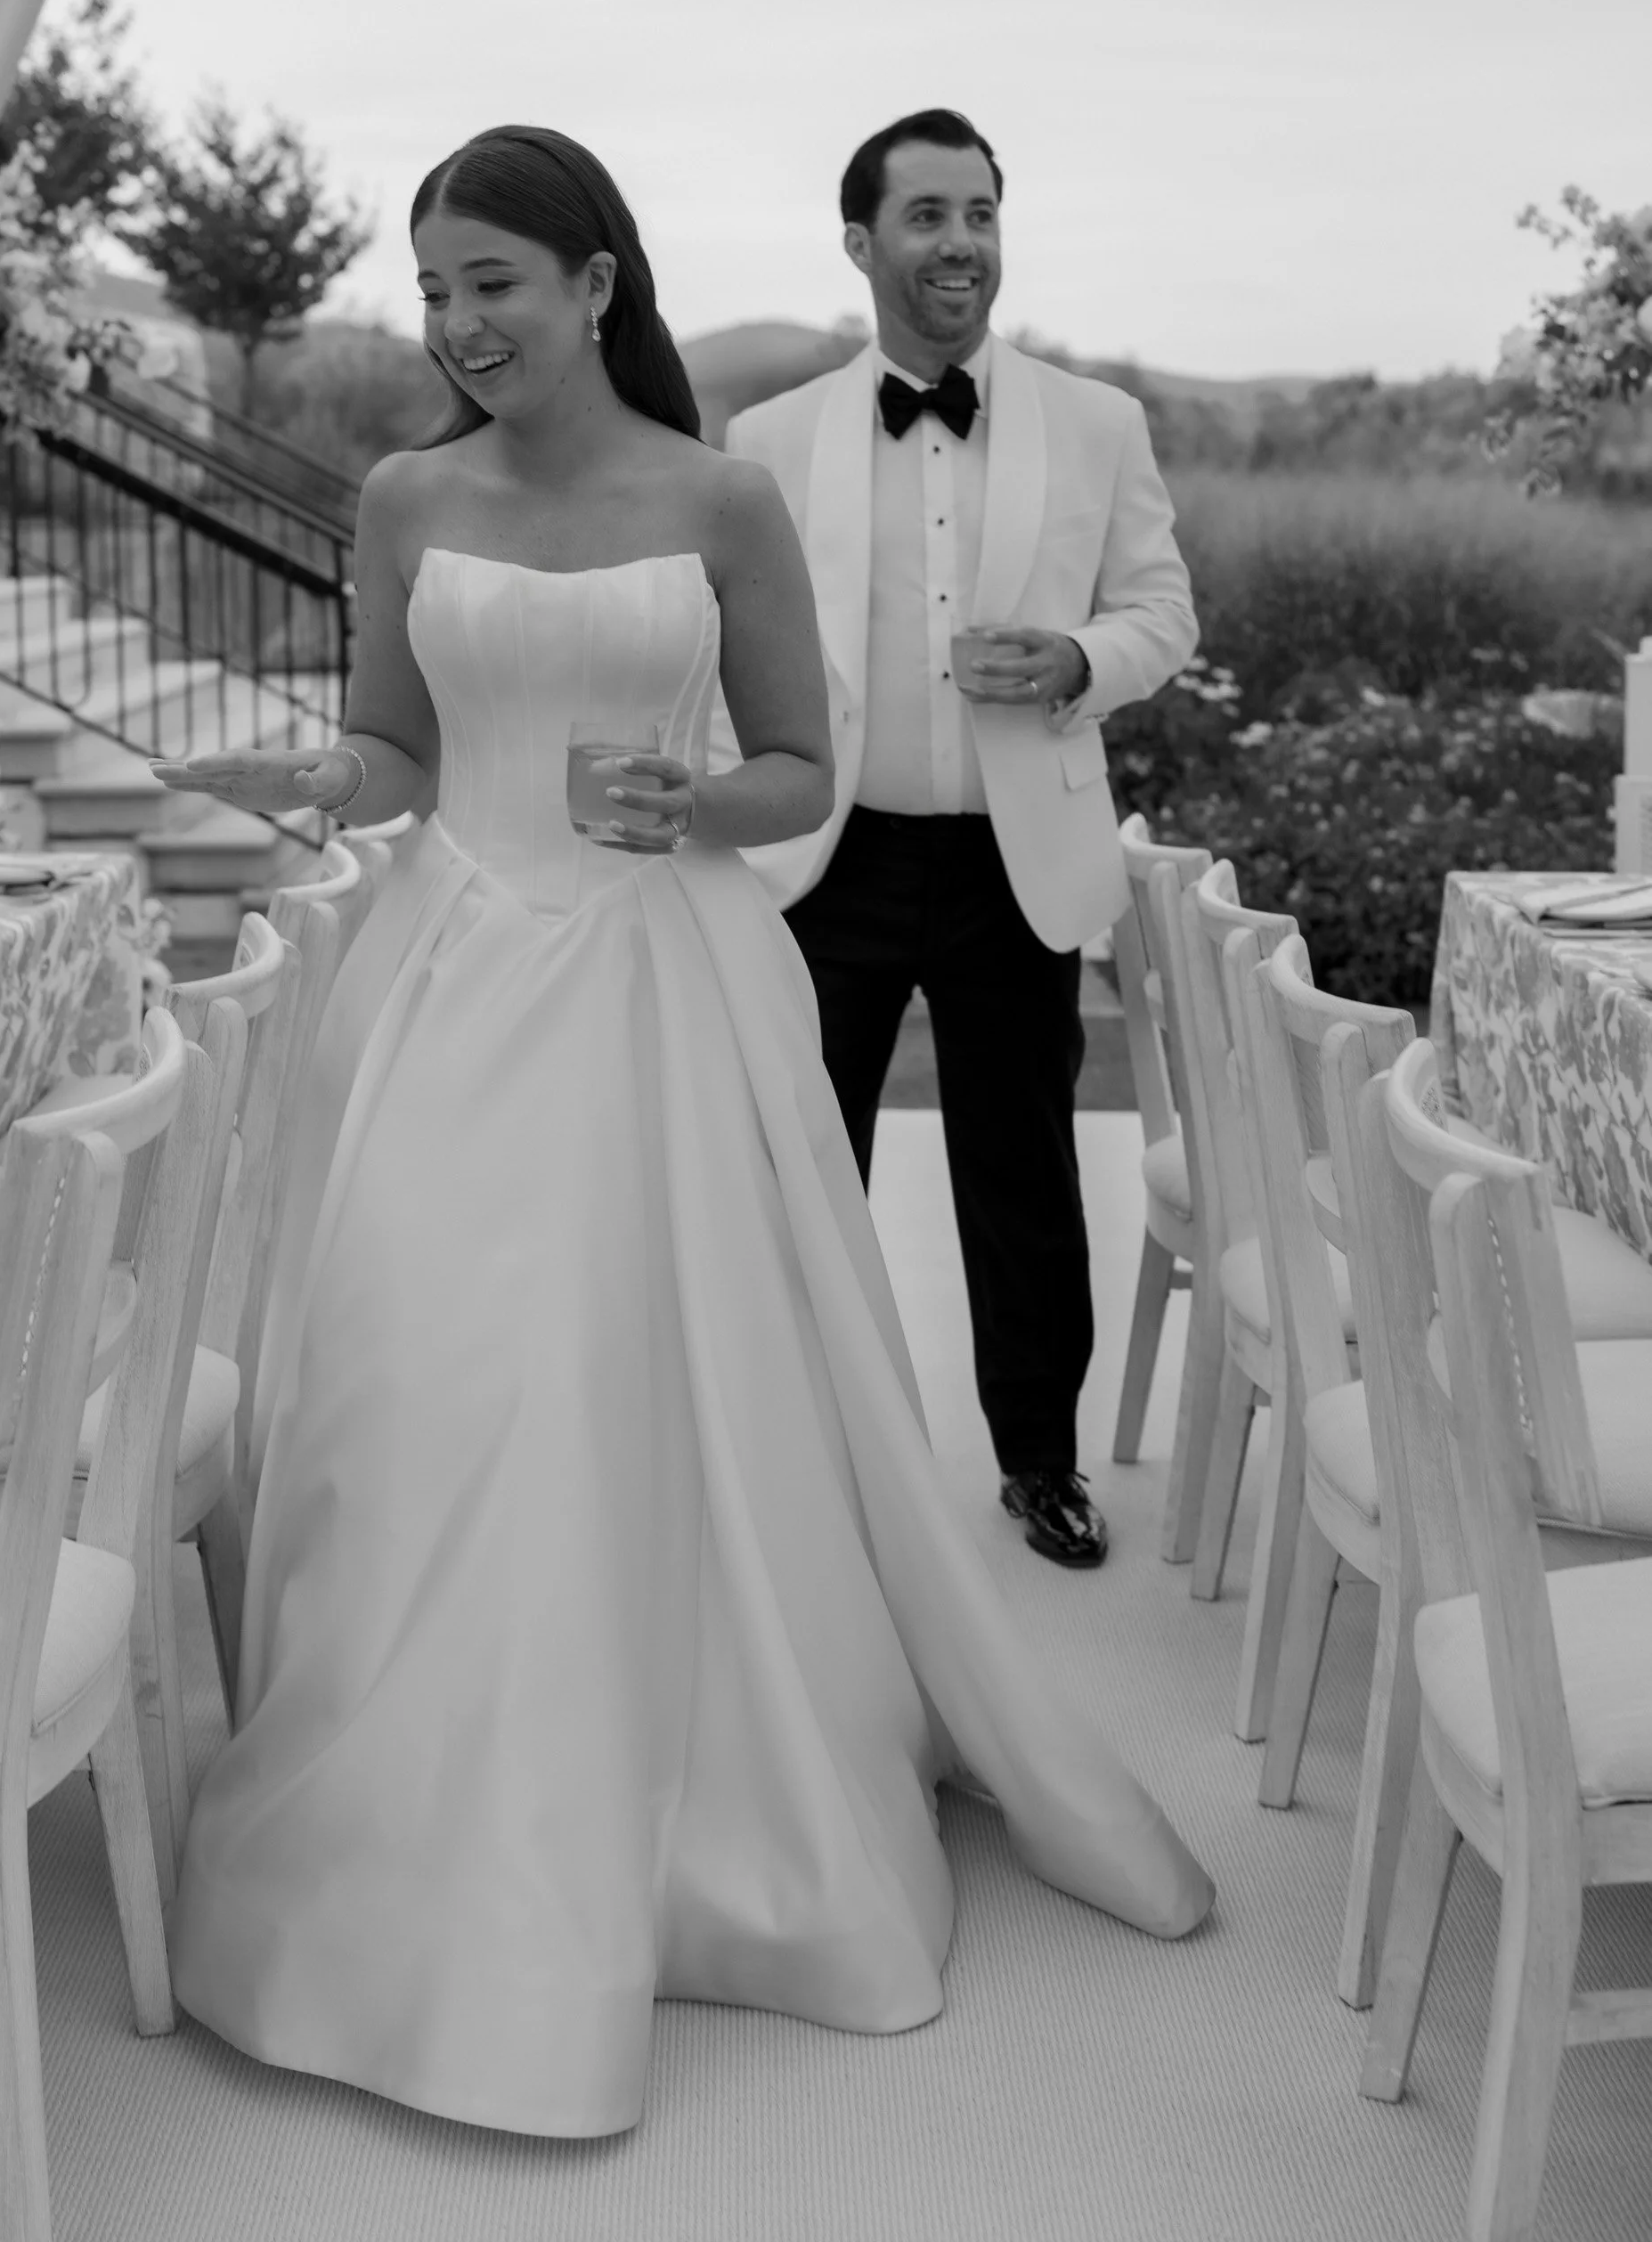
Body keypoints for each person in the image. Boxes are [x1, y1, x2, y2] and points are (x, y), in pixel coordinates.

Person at [156, 125, 1211, 2141]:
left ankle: (691, 1811)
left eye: (496, 282)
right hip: (451, 986)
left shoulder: (720, 498)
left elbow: (798, 767)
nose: (462, 324)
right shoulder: (398, 495)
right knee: (418, 1382)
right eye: (434, 288)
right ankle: (406, 1813)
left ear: (596, 286)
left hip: (651, 985)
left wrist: (690, 806)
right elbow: (395, 745)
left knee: (645, 1384)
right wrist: (316, 771)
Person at [722, 110, 1199, 1570]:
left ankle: (1039, 1465)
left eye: (981, 213)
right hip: (828, 861)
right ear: (861, 243)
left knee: (1023, 1176)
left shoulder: (1099, 423)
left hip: (1015, 860)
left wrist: (1072, 661)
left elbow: (1162, 616)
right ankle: (808, 1459)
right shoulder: (769, 441)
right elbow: (730, 645)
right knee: (805, 1170)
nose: (961, 244)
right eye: (926, 216)